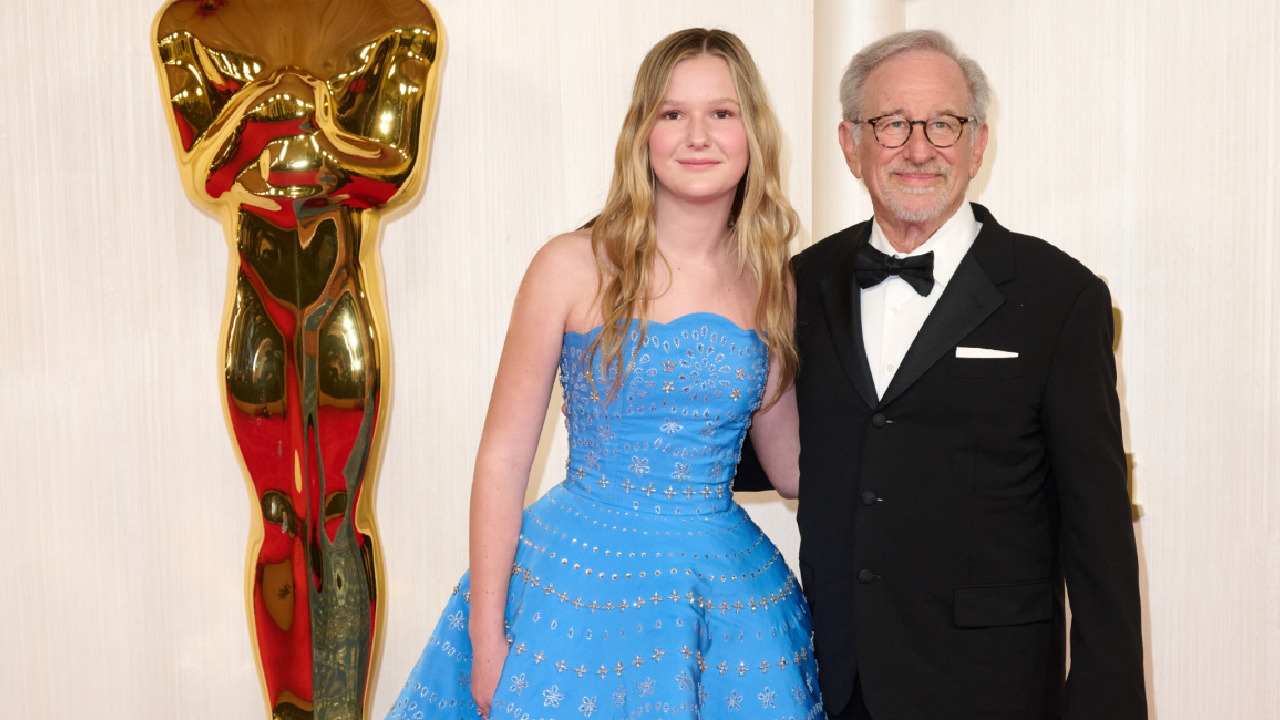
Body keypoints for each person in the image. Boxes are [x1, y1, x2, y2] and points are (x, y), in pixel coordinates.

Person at [386, 28, 824, 720]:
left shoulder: (771, 281)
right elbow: (503, 459)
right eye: (672, 113)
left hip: (721, 598)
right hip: (574, 584)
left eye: (722, 113)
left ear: (754, 135)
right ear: (642, 133)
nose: (697, 135)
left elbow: (794, 465)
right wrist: (486, 635)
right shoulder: (569, 265)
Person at [735, 30, 1147, 719]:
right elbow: (763, 454)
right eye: (892, 124)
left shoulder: (1059, 297)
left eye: (944, 124)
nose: (919, 148)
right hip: (839, 682)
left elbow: (1098, 537)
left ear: (978, 142)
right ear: (850, 143)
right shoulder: (795, 286)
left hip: (994, 689)